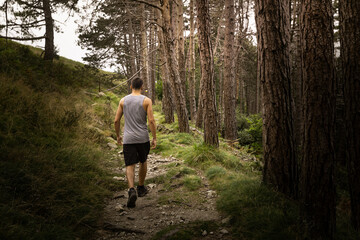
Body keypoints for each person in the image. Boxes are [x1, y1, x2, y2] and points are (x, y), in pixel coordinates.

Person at [114, 77, 157, 208]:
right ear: (142, 87)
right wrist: (154, 137)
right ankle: (141, 187)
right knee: (143, 161)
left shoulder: (123, 101)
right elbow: (151, 120)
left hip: (128, 139)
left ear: (131, 86)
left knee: (130, 164)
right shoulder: (146, 100)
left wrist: (118, 136)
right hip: (143, 138)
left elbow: (116, 121)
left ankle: (131, 189)